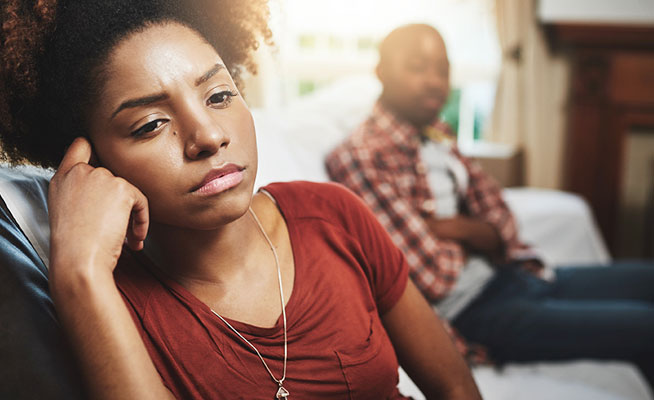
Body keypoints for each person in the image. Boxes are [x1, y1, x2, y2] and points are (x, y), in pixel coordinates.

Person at [0, 3, 482, 399]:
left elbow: (457, 389)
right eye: (150, 124)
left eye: (219, 96)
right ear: (92, 161)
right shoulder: (111, 303)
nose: (208, 136)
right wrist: (79, 274)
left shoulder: (335, 216)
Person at [325, 23, 654, 388]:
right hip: (478, 312)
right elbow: (433, 276)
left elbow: (503, 220)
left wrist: (458, 228)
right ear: (382, 72)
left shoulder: (437, 134)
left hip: (519, 275)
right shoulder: (361, 155)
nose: (434, 81)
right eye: (418, 67)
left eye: (443, 69)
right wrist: (480, 233)